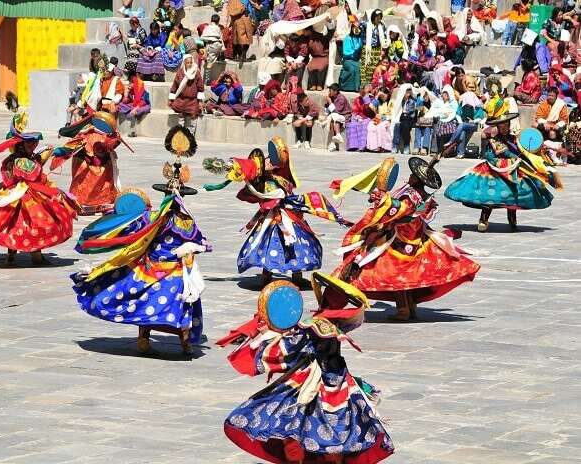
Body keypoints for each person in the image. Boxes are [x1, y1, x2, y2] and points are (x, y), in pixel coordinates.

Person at [221, 275, 395, 463]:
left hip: (313, 382)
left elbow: (293, 347)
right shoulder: (339, 324)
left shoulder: (314, 325)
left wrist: (270, 338)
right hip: (340, 380)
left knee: (297, 426)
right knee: (340, 427)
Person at [72, 128, 211, 355]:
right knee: (146, 293)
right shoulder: (156, 219)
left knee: (164, 295)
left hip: (171, 271)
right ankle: (153, 336)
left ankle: (167, 336)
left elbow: (199, 243)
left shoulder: (180, 221)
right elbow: (134, 228)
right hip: (153, 267)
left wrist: (189, 251)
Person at [331, 157, 481, 320]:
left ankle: (403, 311)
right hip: (415, 238)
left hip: (400, 240)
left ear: (417, 179)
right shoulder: (423, 195)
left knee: (395, 274)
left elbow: (399, 209)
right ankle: (410, 307)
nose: (409, 177)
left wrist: (383, 200)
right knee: (405, 275)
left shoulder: (410, 195)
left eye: (412, 175)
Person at [203, 138, 348, 286]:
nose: (268, 161)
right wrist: (231, 166)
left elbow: (280, 193)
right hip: (271, 218)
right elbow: (250, 169)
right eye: (267, 160)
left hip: (288, 217)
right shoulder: (264, 179)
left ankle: (296, 274)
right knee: (268, 244)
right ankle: (266, 274)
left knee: (293, 244)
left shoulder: (281, 179)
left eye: (272, 160)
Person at [0, 111, 78, 265]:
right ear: (20, 144)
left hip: (17, 192)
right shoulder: (21, 162)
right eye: (30, 142)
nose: (34, 145)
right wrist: (40, 162)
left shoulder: (16, 159)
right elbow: (33, 175)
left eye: (34, 142)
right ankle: (33, 256)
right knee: (32, 223)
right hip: (24, 195)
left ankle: (14, 255)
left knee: (15, 224)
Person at [445, 110, 561, 232]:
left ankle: (512, 220)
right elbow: (504, 151)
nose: (505, 128)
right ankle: (483, 219)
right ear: (498, 127)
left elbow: (521, 150)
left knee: (513, 193)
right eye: (502, 126)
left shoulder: (514, 138)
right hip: (494, 168)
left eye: (507, 125)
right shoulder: (493, 139)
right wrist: (516, 156)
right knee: (489, 195)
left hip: (512, 168)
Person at [52, 112, 127, 216]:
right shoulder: (85, 134)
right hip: (85, 166)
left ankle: (104, 204)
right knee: (84, 186)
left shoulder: (110, 135)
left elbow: (113, 144)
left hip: (103, 166)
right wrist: (62, 151)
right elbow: (73, 146)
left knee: (104, 186)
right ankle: (85, 205)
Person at [169, 54, 205, 133]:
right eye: (187, 63)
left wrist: (200, 101)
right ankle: (181, 132)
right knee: (181, 115)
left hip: (192, 99)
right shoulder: (180, 72)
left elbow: (200, 87)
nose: (189, 64)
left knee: (193, 115)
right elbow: (175, 85)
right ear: (184, 63)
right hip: (181, 98)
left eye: (190, 62)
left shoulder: (196, 72)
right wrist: (171, 98)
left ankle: (190, 134)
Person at [361, 10, 389, 86]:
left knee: (373, 67)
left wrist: (383, 49)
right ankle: (364, 85)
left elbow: (385, 37)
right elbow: (358, 27)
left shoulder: (382, 26)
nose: (378, 19)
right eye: (377, 17)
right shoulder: (366, 24)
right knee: (365, 66)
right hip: (367, 48)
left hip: (377, 49)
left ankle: (371, 84)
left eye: (380, 18)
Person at [119, 72, 151, 137]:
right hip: (133, 105)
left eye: (131, 83)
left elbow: (144, 101)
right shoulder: (131, 89)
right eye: (129, 82)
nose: (130, 84)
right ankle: (132, 113)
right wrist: (126, 94)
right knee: (120, 105)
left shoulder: (140, 87)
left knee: (137, 111)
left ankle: (133, 131)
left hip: (143, 105)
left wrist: (135, 108)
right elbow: (125, 101)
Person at [306, 23, 334, 91]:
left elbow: (329, 34)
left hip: (323, 57)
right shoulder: (309, 39)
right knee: (310, 67)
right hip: (315, 57)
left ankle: (319, 84)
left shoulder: (320, 36)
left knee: (320, 68)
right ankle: (313, 84)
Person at [346, 85, 374, 151]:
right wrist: (357, 117)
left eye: (363, 91)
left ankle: (362, 146)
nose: (361, 93)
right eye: (360, 91)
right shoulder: (357, 99)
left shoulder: (371, 98)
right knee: (352, 124)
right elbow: (355, 111)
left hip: (368, 117)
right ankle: (353, 146)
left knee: (364, 124)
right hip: (359, 117)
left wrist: (366, 97)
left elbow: (370, 110)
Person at [324, 83, 351, 151]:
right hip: (336, 117)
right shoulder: (332, 97)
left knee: (333, 116)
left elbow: (336, 111)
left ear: (335, 91)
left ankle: (338, 136)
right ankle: (334, 142)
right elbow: (327, 110)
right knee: (332, 121)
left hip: (345, 115)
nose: (329, 92)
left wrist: (330, 102)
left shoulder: (341, 98)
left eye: (330, 90)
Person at [366, 87, 393, 152]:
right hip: (379, 119)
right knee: (370, 125)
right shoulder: (378, 101)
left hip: (388, 119)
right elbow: (370, 106)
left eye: (384, 95)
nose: (382, 97)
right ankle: (374, 147)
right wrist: (377, 96)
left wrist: (387, 119)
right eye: (381, 96)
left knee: (381, 127)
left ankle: (384, 147)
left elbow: (393, 114)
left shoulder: (391, 101)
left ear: (387, 94)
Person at [200, 14, 225, 80]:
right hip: (215, 45)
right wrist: (223, 48)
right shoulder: (217, 28)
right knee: (210, 63)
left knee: (209, 61)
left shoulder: (207, 27)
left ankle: (206, 79)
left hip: (208, 45)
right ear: (218, 21)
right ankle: (207, 80)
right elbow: (221, 38)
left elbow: (203, 37)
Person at [339, 23, 362, 91]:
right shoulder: (347, 38)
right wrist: (355, 50)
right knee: (351, 69)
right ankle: (345, 87)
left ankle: (356, 88)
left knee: (358, 68)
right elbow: (346, 52)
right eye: (354, 27)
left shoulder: (360, 38)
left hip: (356, 60)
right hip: (348, 60)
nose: (356, 29)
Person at [413, 87, 435, 155]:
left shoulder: (432, 102)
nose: (425, 98)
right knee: (417, 128)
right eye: (424, 96)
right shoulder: (421, 102)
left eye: (426, 96)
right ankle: (417, 147)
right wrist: (421, 98)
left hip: (429, 122)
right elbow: (416, 108)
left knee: (427, 129)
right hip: (421, 121)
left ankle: (424, 148)